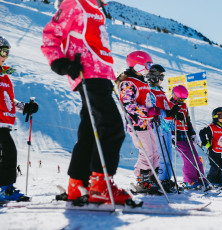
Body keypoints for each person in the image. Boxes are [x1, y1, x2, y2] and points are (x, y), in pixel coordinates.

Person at [41, 0, 131, 205]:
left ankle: (76, 184)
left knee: (91, 131)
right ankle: (100, 186)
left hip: (101, 74)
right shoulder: (76, 3)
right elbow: (51, 34)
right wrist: (60, 63)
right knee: (112, 126)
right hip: (87, 73)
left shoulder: (95, 8)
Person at [0, 36, 39, 202]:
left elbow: (8, 100)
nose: (5, 55)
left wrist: (25, 107)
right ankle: (5, 189)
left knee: (7, 154)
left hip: (4, 123)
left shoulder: (5, 76)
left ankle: (5, 189)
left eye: (7, 52)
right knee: (8, 153)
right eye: (2, 51)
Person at [117, 51, 160, 194]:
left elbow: (146, 101)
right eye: (148, 64)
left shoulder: (142, 81)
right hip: (136, 124)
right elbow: (128, 104)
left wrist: (153, 111)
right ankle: (142, 181)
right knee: (146, 151)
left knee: (154, 151)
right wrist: (147, 112)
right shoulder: (127, 82)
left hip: (147, 123)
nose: (149, 68)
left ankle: (152, 178)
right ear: (138, 64)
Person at [146, 64, 179, 192]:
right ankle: (160, 179)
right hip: (158, 126)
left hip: (166, 127)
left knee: (168, 154)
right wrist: (167, 113)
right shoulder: (150, 91)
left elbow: (165, 106)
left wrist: (173, 110)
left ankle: (166, 179)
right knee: (161, 154)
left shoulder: (160, 91)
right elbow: (153, 110)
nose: (162, 79)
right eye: (161, 76)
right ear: (154, 77)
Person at [169, 85, 204, 189]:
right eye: (180, 99)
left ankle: (201, 179)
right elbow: (167, 120)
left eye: (184, 99)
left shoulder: (184, 106)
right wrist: (171, 135)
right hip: (177, 135)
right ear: (174, 95)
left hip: (186, 135)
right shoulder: (168, 105)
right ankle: (190, 181)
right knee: (189, 158)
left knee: (196, 158)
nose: (182, 101)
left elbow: (187, 121)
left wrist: (193, 134)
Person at [199, 107, 222, 189]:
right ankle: (210, 181)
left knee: (221, 166)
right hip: (213, 150)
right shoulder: (211, 127)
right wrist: (206, 144)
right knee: (215, 167)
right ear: (215, 117)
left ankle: (220, 181)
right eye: (220, 116)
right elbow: (202, 133)